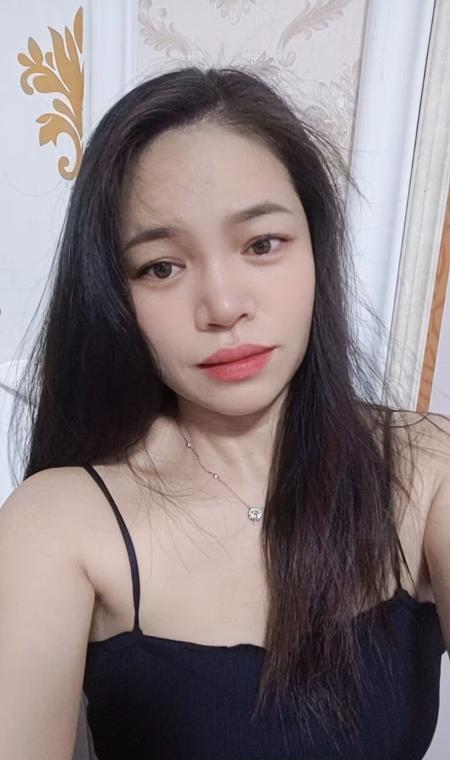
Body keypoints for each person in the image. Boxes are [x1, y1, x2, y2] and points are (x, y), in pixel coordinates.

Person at [0, 65, 448, 760]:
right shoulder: (57, 525)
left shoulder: (427, 468)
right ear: (116, 296)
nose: (223, 306)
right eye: (161, 267)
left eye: (262, 244)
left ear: (317, 248)